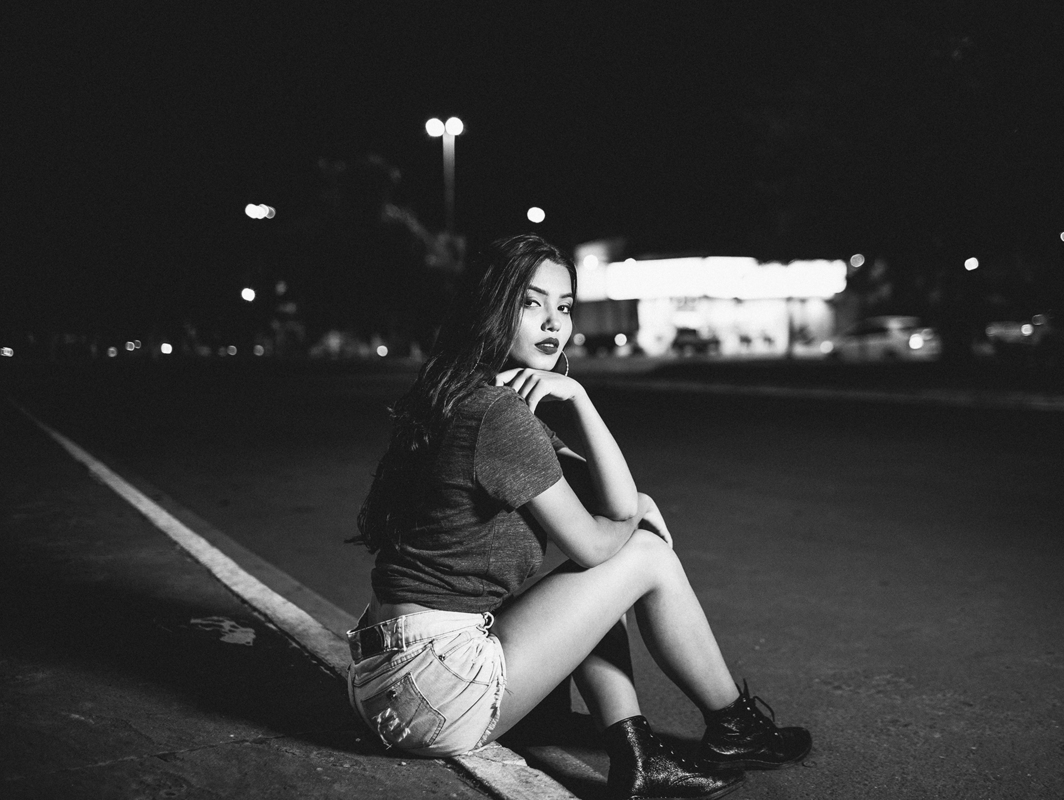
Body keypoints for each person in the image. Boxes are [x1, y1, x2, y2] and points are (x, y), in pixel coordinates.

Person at [346, 234, 811, 800]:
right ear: (490, 308)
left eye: (564, 306)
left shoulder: (465, 393)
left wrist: (578, 401)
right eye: (530, 302)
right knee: (641, 554)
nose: (553, 322)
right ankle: (734, 728)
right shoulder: (497, 415)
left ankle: (636, 754)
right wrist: (630, 502)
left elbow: (615, 497)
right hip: (432, 688)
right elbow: (597, 540)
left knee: (607, 573)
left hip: (391, 681)